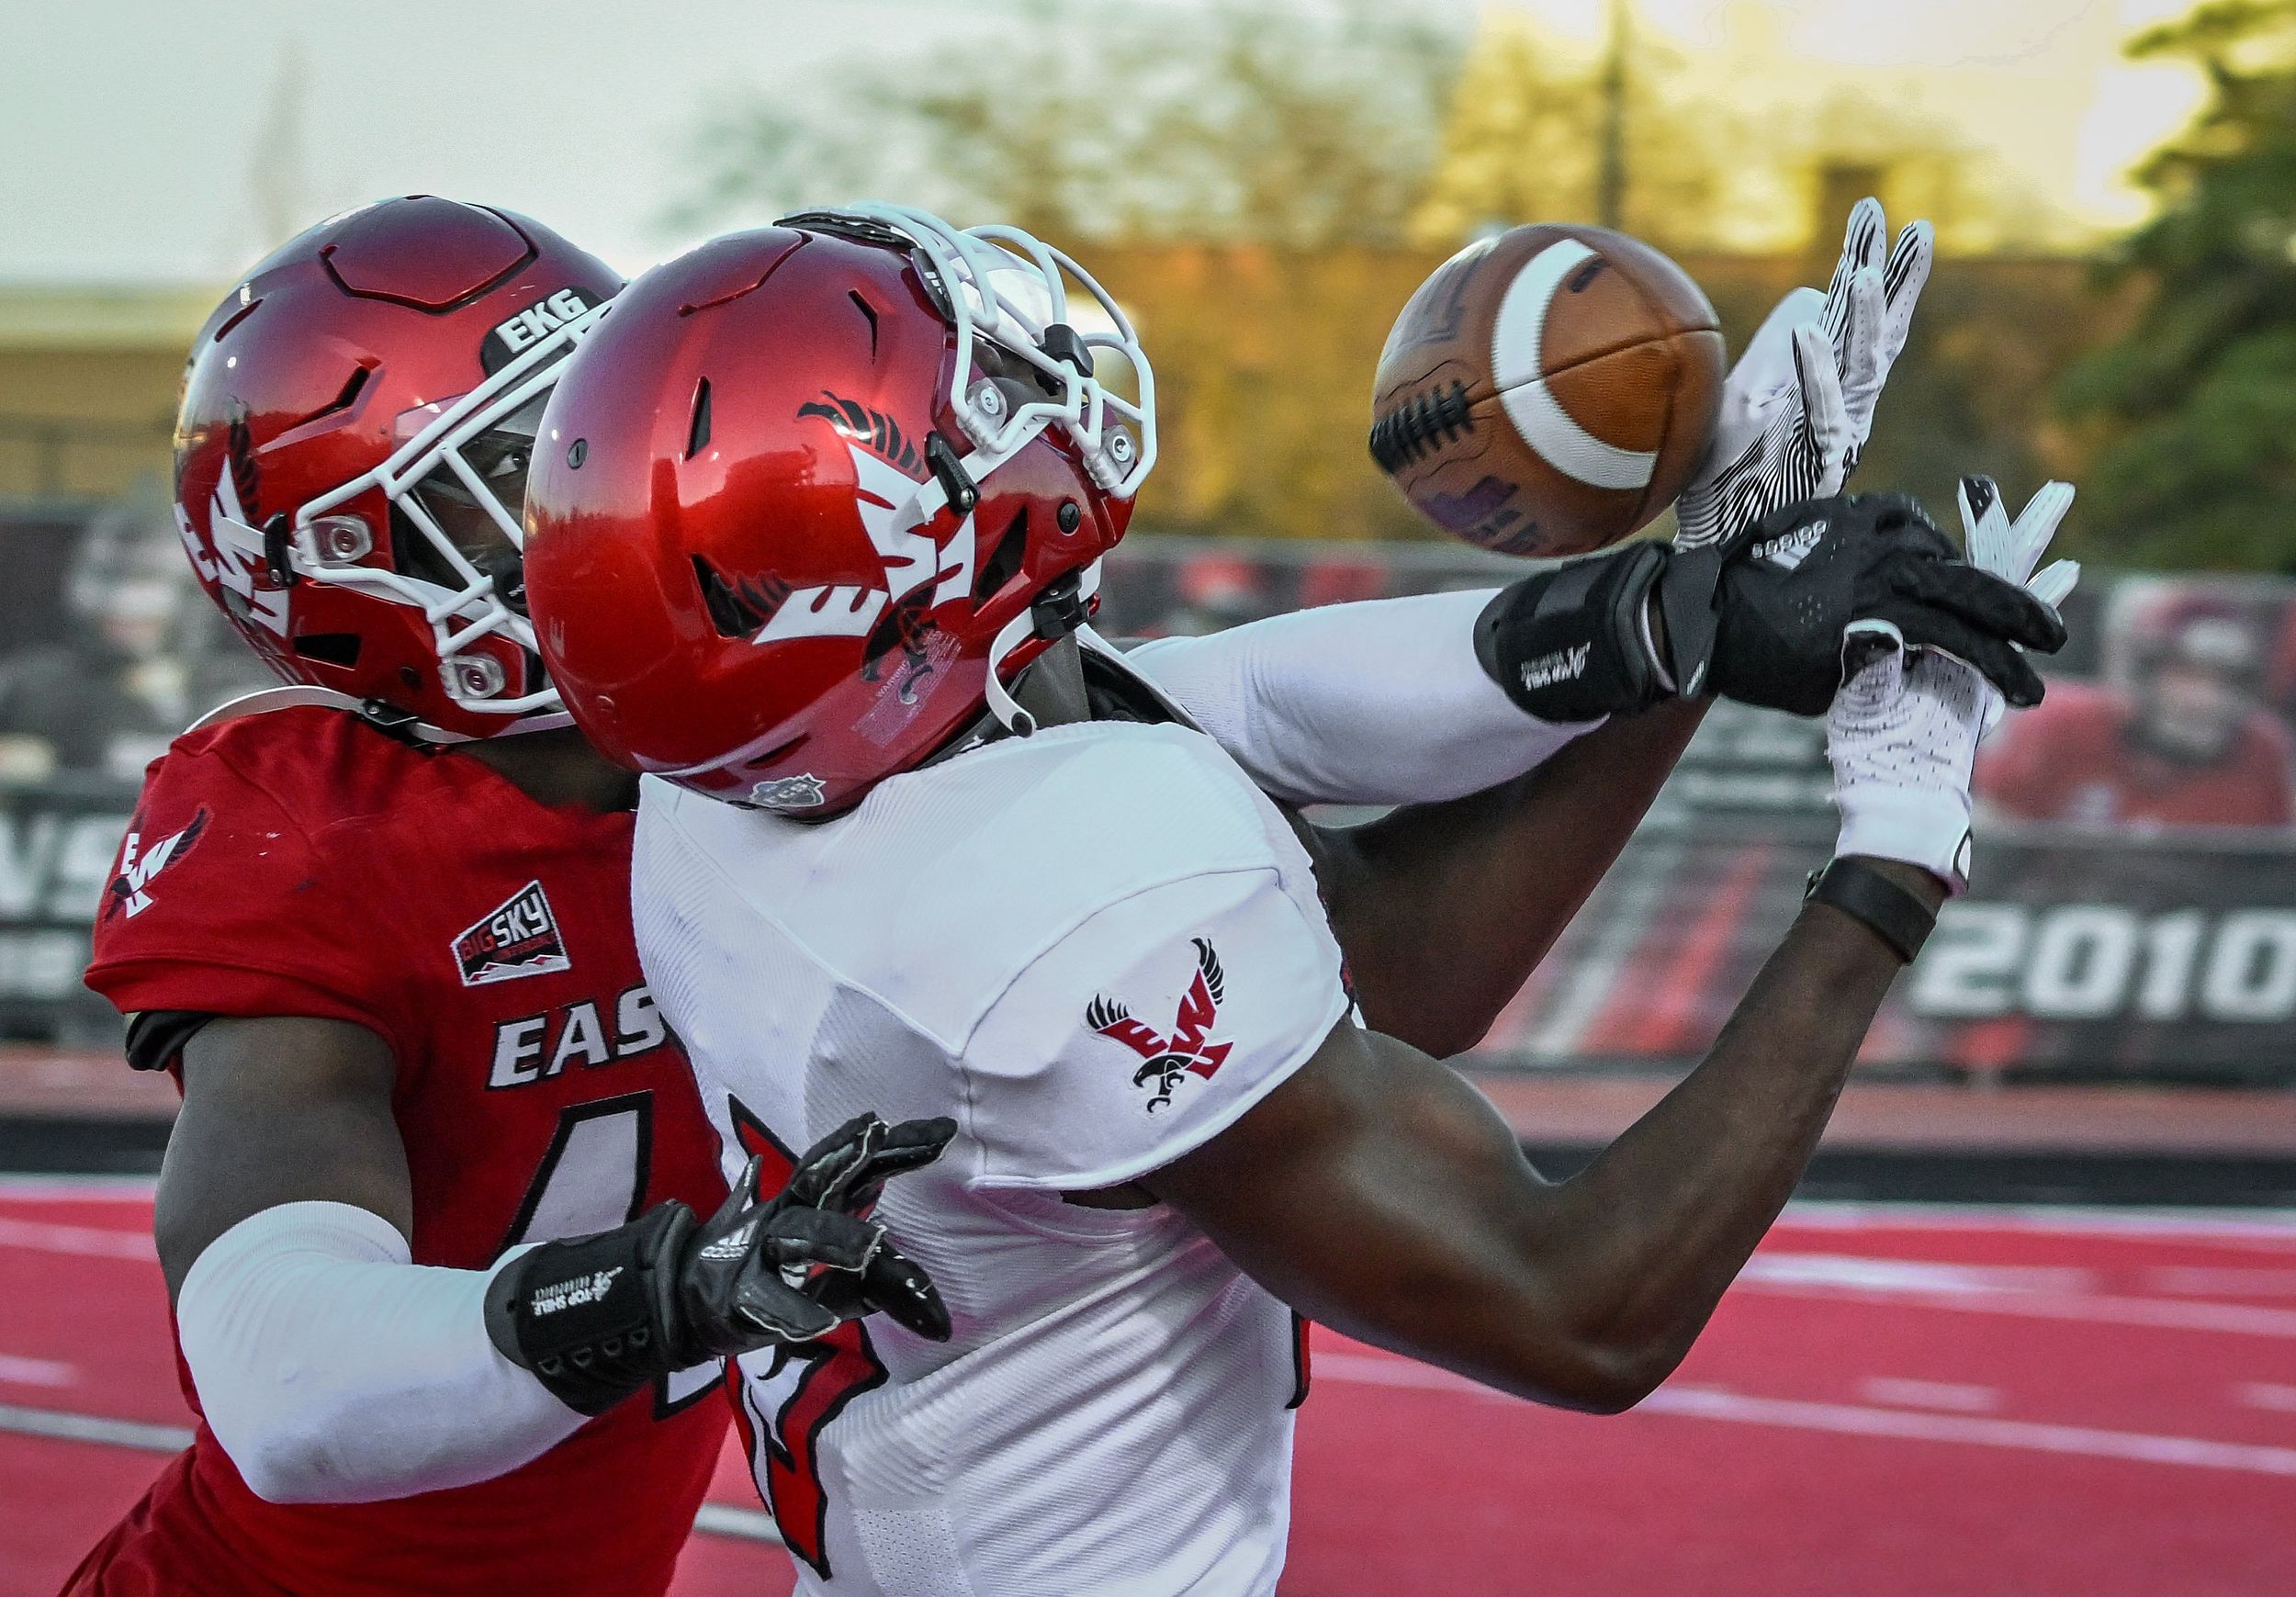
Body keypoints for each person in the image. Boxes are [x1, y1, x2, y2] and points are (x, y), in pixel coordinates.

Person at [60, 192, 1900, 1595]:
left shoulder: (771, 728)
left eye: (584, 430)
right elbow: (287, 1371)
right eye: (507, 497)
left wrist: (1673, 604)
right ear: (353, 588)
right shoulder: (319, 820)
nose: (591, 502)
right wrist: (666, 1286)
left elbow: (1228, 696)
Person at [521, 203, 2072, 1594]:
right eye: (972, 407)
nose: (1018, 413)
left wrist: (1699, 589)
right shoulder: (1035, 899)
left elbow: (1305, 760)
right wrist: (1897, 844)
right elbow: (1579, 1303)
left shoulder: (750, 763)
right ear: (893, 560)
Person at [1976, 582, 2295, 828]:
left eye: (2230, 681)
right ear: (2144, 674)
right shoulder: (2059, 727)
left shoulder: (2262, 754)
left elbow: (2268, 882)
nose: (2207, 700)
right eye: (2186, 674)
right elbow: (1985, 846)